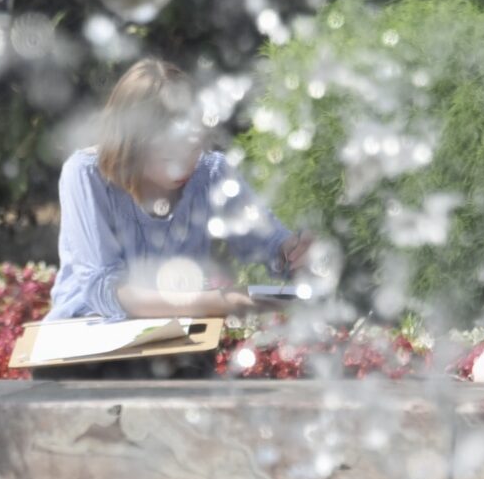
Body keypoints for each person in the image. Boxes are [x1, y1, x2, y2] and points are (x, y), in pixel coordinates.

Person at [45, 59, 312, 322]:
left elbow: (267, 243)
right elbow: (104, 290)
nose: (184, 165)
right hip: (84, 341)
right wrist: (221, 301)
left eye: (194, 148)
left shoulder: (210, 172)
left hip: (172, 340)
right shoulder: (86, 175)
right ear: (133, 141)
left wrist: (292, 252)